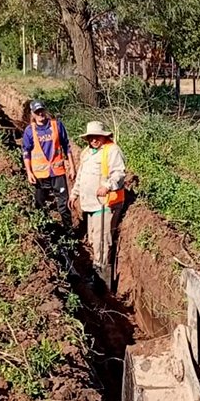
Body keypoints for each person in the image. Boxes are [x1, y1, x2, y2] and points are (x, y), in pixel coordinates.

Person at [70, 121, 126, 288]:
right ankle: (96, 272)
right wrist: (74, 193)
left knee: (102, 239)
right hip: (90, 204)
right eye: (91, 137)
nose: (94, 140)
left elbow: (119, 173)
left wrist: (107, 186)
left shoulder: (112, 150)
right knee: (94, 239)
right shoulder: (87, 152)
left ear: (103, 136)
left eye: (97, 136)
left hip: (106, 203)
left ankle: (101, 280)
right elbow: (81, 175)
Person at [22, 99, 76, 229]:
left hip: (58, 173)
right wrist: (29, 172)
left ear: (45, 110)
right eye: (37, 112)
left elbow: (66, 146)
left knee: (63, 206)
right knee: (40, 205)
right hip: (40, 175)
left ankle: (69, 232)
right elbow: (26, 153)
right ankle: (46, 233)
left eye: (41, 110)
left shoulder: (56, 126)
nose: (40, 114)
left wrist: (72, 167)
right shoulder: (29, 131)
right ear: (33, 113)